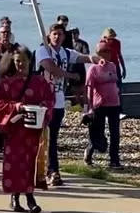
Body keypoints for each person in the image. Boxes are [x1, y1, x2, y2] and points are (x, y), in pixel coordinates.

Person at [35, 23, 101, 186]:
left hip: (57, 101)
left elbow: (80, 57)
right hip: (42, 100)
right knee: (42, 137)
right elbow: (50, 68)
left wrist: (95, 58)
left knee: (52, 137)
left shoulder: (65, 53)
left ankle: (52, 170)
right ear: (49, 36)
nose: (57, 37)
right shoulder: (42, 51)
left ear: (64, 37)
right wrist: (70, 75)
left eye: (60, 34)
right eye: (54, 34)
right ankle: (47, 169)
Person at [0, 44, 54, 213]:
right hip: (14, 131)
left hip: (33, 131)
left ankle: (29, 196)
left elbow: (50, 99)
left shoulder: (39, 81)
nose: (21, 65)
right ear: (13, 62)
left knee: (30, 163)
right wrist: (16, 106)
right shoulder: (5, 84)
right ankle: (16, 196)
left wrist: (42, 109)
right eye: (18, 61)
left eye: (24, 61)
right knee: (14, 163)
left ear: (30, 61)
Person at [84, 40, 122, 169]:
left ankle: (114, 160)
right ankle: (89, 151)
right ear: (99, 53)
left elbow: (115, 82)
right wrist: (89, 108)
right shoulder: (93, 69)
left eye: (109, 51)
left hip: (114, 104)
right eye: (105, 51)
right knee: (97, 133)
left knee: (115, 133)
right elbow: (89, 88)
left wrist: (116, 91)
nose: (108, 53)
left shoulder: (112, 66)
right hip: (99, 105)